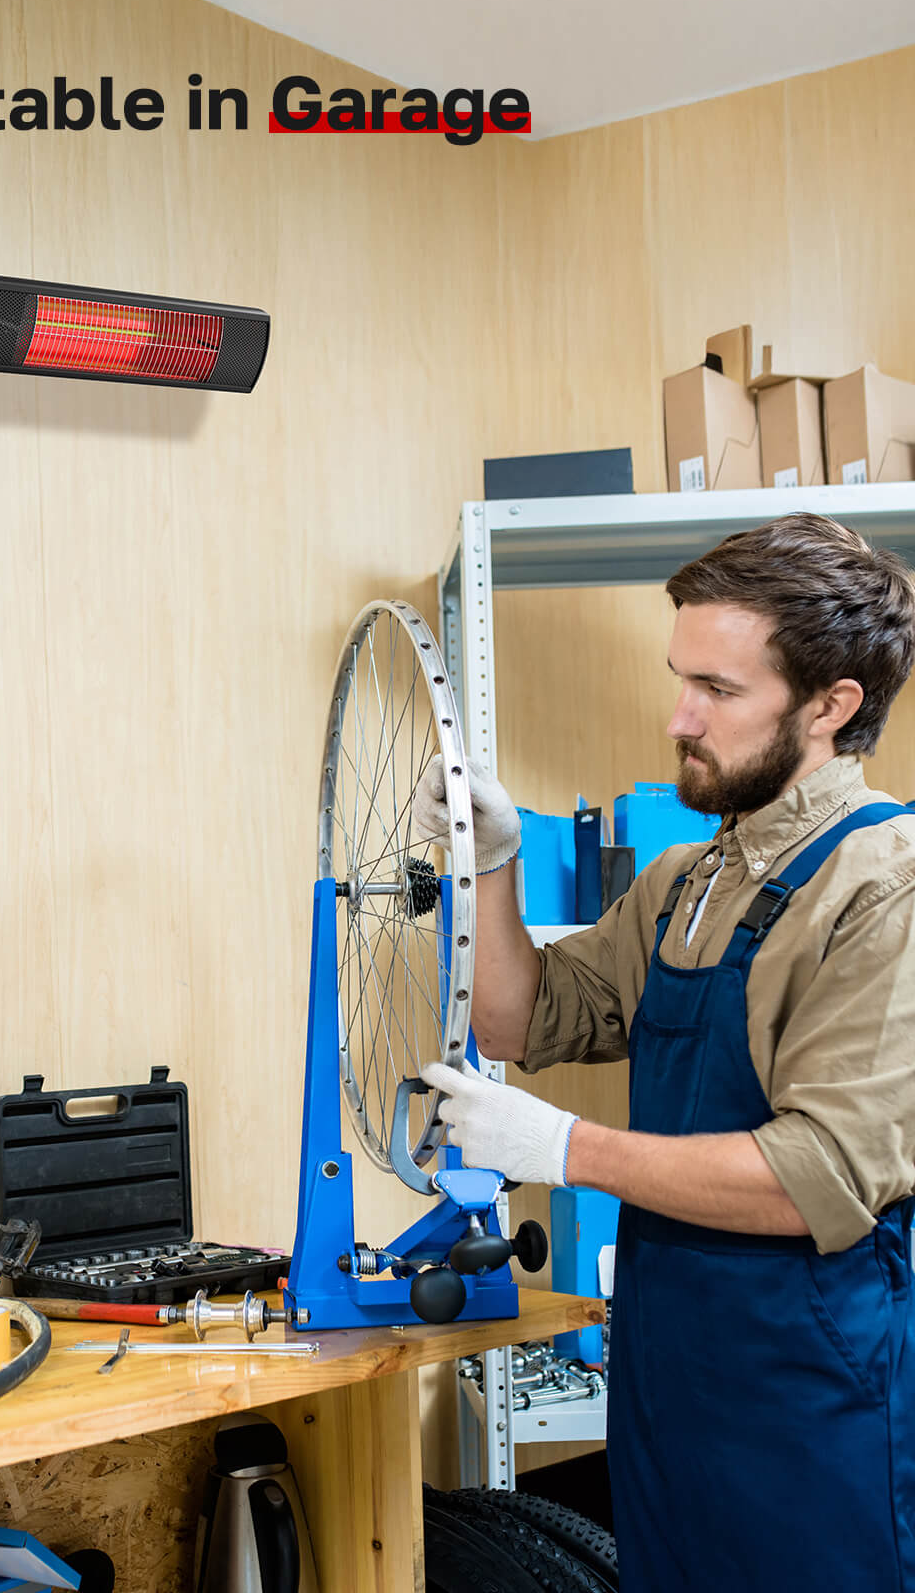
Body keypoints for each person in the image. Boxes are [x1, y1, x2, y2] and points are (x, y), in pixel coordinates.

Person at [410, 512, 915, 1593]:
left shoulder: (882, 886)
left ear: (831, 707)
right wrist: (491, 863)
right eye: (679, 677)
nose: (676, 717)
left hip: (808, 1412)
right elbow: (519, 1021)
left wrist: (563, 1146)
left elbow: (817, 1175)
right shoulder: (686, 880)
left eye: (718, 691)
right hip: (670, 1390)